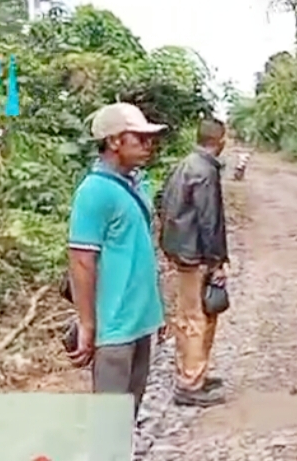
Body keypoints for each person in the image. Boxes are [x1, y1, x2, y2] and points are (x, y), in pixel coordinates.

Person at [66, 103, 167, 418]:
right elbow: (81, 261)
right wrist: (87, 323)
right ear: (114, 142)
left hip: (139, 322)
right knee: (109, 419)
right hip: (114, 329)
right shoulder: (94, 192)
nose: (148, 145)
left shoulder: (132, 184)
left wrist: (158, 311)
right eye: (139, 138)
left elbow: (141, 253)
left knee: (128, 414)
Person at [158, 118, 230, 406]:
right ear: (220, 140)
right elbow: (209, 219)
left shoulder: (185, 164)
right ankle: (189, 382)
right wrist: (217, 261)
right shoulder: (205, 171)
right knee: (195, 318)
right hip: (196, 255)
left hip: (182, 251)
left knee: (194, 315)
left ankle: (195, 371)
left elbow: (162, 201)